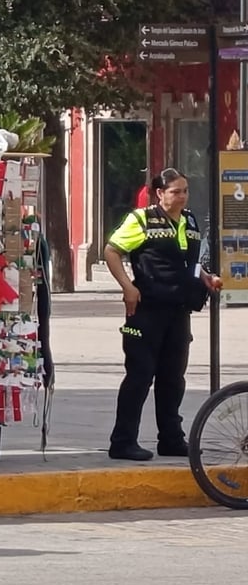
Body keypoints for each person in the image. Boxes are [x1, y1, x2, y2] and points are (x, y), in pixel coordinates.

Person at [103, 167, 222, 461]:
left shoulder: (190, 221)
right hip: (147, 311)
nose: (182, 197)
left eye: (185, 191)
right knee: (140, 376)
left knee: (173, 378)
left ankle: (171, 439)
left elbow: (188, 263)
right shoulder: (141, 219)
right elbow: (111, 251)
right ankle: (123, 441)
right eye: (175, 192)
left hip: (179, 311)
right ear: (160, 193)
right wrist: (128, 287)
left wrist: (205, 277)